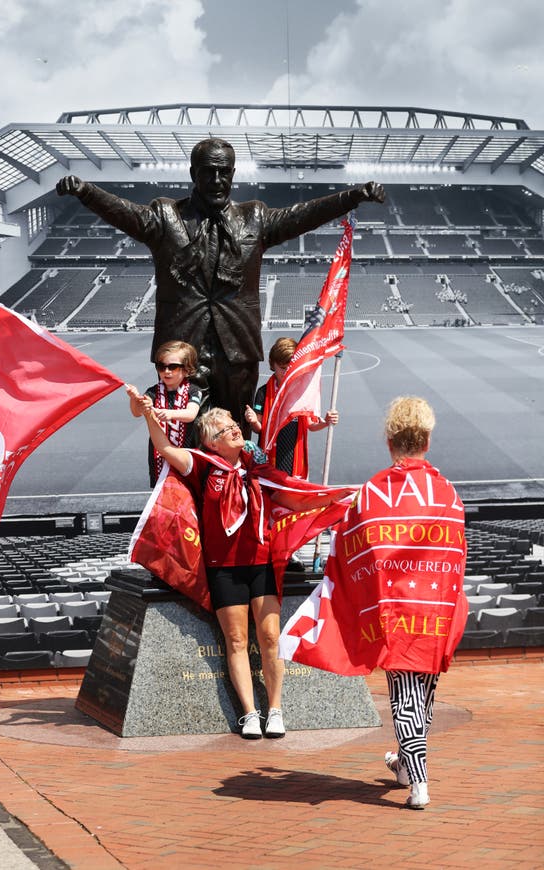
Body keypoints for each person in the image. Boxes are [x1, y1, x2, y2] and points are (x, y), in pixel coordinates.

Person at [56, 139, 385, 436]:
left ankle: (237, 501)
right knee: (180, 436)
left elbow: (302, 215)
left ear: (233, 173)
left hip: (237, 351)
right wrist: (86, 192)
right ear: (192, 173)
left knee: (235, 435)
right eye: (208, 172)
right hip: (182, 351)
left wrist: (350, 197)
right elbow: (126, 214)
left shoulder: (254, 217)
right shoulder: (165, 216)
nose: (216, 181)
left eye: (223, 172)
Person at [279, 396, 468, 808]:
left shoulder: (371, 493)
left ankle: (419, 783)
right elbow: (457, 553)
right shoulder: (448, 493)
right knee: (422, 694)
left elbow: (350, 547)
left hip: (393, 609)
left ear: (389, 440)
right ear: (428, 439)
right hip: (437, 609)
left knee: (405, 696)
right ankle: (405, 765)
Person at [138, 404, 350, 740]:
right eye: (226, 429)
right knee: (236, 640)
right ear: (213, 443)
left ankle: (276, 709)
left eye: (235, 424)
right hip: (223, 569)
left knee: (269, 638)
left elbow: (296, 499)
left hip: (261, 564)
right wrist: (150, 414)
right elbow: (164, 447)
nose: (236, 430)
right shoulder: (203, 466)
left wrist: (338, 499)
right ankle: (250, 714)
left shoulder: (259, 471)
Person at [244, 337, 339, 479]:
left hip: (294, 454)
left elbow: (311, 425)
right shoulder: (264, 392)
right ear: (272, 364)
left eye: (290, 368)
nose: (286, 372)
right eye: (282, 368)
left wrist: (326, 422)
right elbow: (259, 429)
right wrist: (252, 421)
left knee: (292, 494)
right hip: (270, 455)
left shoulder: (302, 392)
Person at [126, 340, 202, 486]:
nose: (166, 371)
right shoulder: (153, 392)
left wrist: (170, 414)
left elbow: (190, 414)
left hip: (186, 451)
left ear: (187, 370)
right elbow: (136, 412)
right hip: (159, 454)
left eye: (172, 367)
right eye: (161, 366)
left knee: (189, 490)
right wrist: (135, 399)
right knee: (161, 490)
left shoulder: (193, 390)